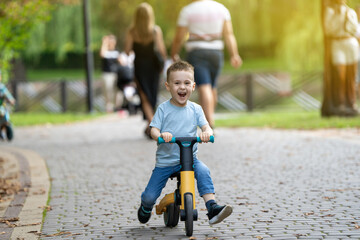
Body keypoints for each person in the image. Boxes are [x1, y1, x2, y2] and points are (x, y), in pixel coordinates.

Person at [137, 61, 232, 225]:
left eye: (187, 83)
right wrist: (160, 135)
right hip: (166, 162)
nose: (182, 87)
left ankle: (212, 208)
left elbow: (206, 126)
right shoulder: (163, 109)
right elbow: (153, 129)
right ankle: (146, 207)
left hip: (189, 160)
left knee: (203, 170)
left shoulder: (196, 109)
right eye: (177, 83)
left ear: (193, 86)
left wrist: (207, 133)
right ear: (168, 86)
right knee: (150, 196)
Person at [171, 0, 242, 128]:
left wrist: (174, 53)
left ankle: (209, 123)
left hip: (197, 52)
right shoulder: (221, 9)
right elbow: (229, 34)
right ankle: (210, 118)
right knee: (212, 87)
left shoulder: (188, 10)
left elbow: (179, 36)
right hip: (216, 52)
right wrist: (234, 54)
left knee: (204, 87)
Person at [124, 2, 167, 138]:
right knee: (152, 94)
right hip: (153, 67)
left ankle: (151, 125)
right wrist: (163, 64)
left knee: (144, 95)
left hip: (140, 66)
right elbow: (162, 51)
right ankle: (152, 125)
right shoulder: (155, 30)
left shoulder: (132, 32)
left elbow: (127, 50)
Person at [322, 0, 359, 116]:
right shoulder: (330, 12)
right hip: (337, 44)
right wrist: (337, 17)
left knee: (351, 76)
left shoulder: (351, 12)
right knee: (340, 76)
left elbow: (355, 30)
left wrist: (349, 20)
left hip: (350, 43)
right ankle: (340, 103)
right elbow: (328, 30)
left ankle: (352, 103)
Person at [100, 34, 121, 113]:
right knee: (108, 90)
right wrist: (104, 43)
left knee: (117, 91)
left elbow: (121, 61)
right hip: (107, 74)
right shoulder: (105, 51)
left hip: (116, 74)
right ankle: (108, 106)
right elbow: (102, 54)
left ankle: (117, 107)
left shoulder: (117, 51)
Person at [0, 69, 16, 141]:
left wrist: (11, 100)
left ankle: (6, 127)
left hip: (1, 107)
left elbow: (7, 95)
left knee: (4, 116)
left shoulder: (2, 87)